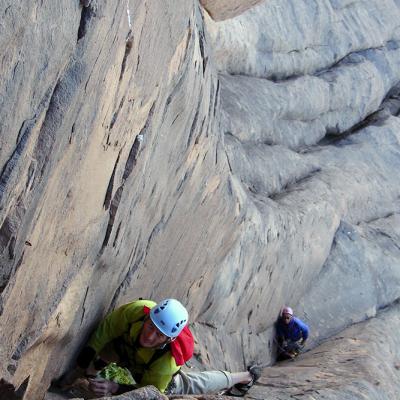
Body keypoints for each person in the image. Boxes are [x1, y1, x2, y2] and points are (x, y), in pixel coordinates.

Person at [60, 298, 261, 397]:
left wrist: (115, 387)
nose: (149, 335)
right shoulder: (138, 311)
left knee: (192, 384)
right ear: (147, 317)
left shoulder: (166, 363)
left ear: (169, 340)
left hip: (151, 371)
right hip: (129, 351)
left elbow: (149, 392)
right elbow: (107, 329)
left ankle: (244, 377)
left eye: (159, 334)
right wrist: (84, 361)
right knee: (111, 345)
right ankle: (87, 375)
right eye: (150, 326)